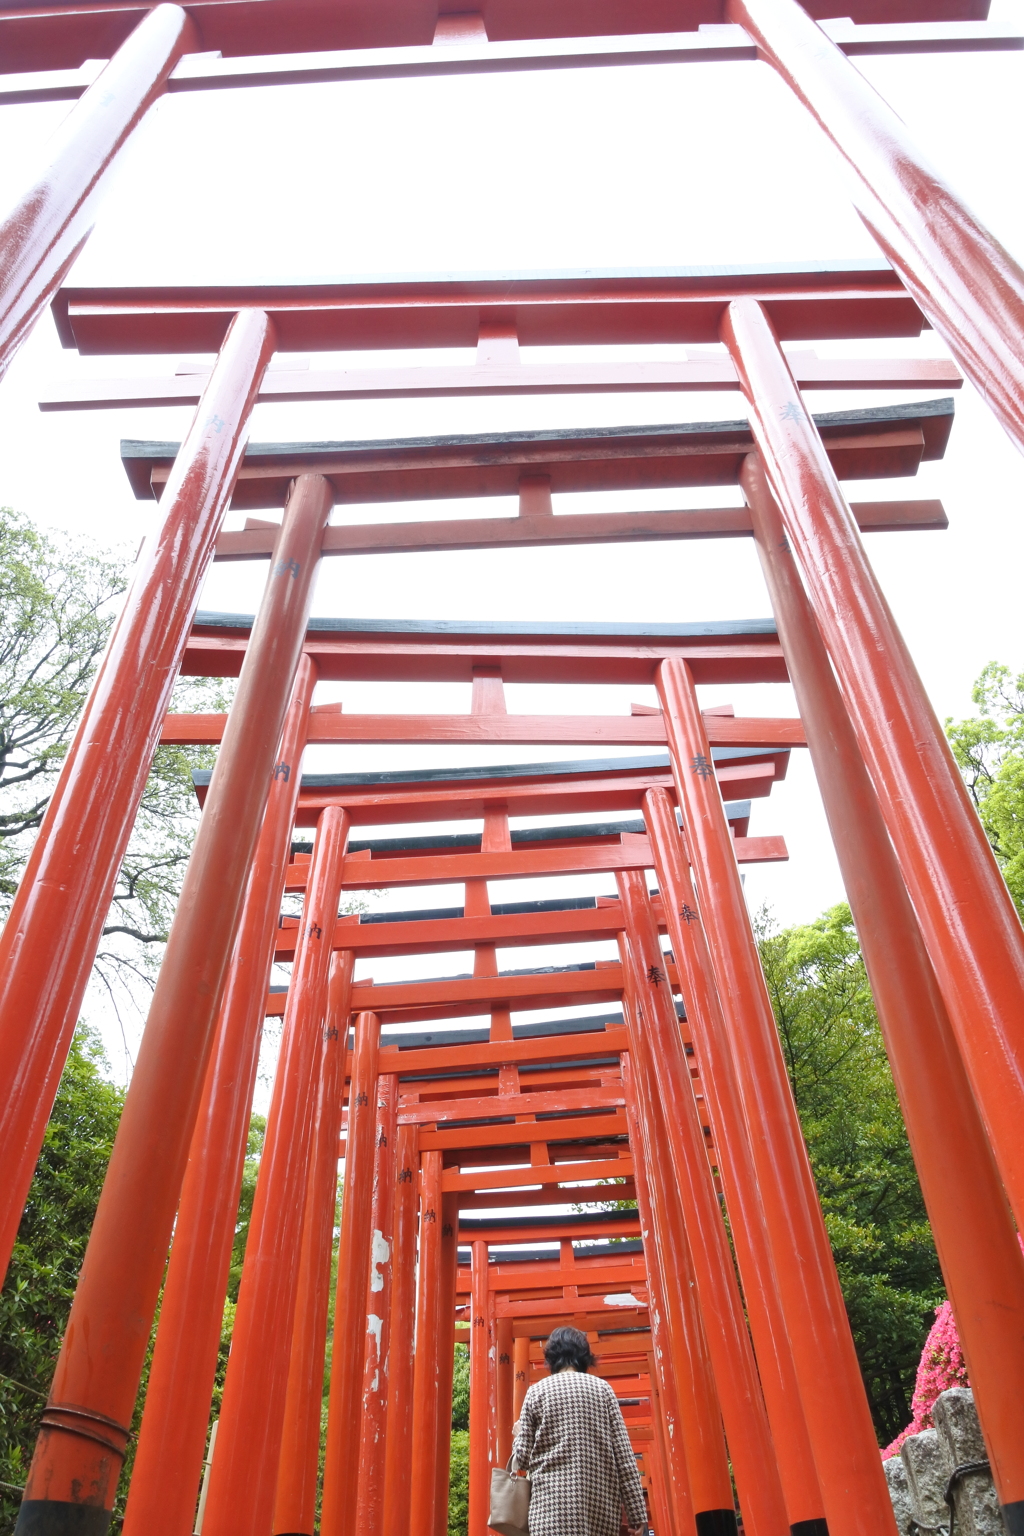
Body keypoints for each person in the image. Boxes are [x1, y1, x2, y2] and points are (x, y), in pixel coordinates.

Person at [512, 1324, 648, 1536]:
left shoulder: (536, 1393)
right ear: (585, 1356)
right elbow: (624, 1459)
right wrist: (637, 1514)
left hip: (549, 1512)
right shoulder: (603, 1391)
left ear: (551, 1357)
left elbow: (521, 1460)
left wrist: (519, 1434)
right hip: (598, 1512)